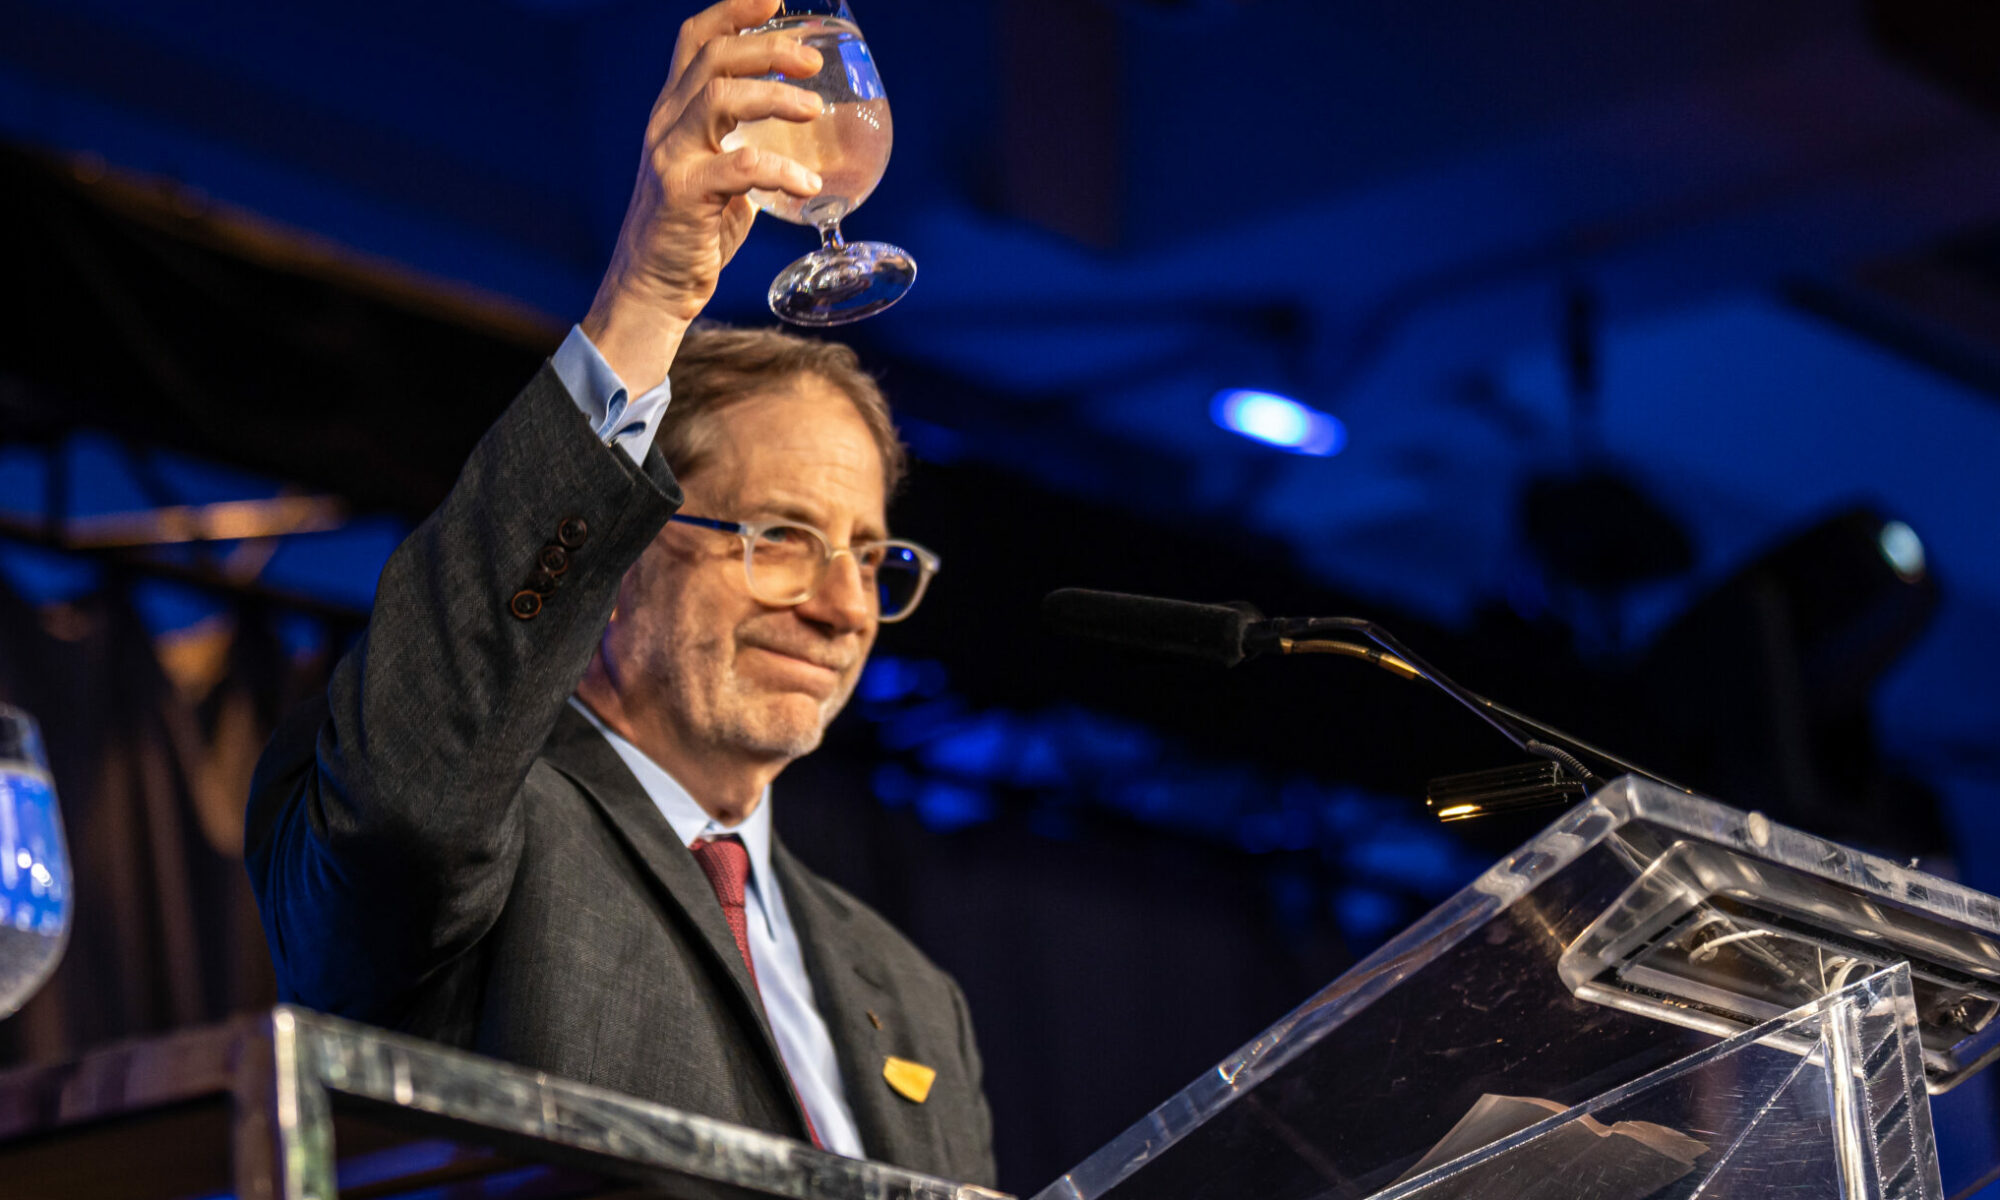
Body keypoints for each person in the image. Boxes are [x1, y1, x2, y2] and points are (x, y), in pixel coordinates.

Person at [243, 0, 996, 1184]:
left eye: (867, 555)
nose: (844, 609)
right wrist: (647, 297)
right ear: (617, 550)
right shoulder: (480, 837)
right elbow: (408, 808)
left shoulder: (911, 996)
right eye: (781, 536)